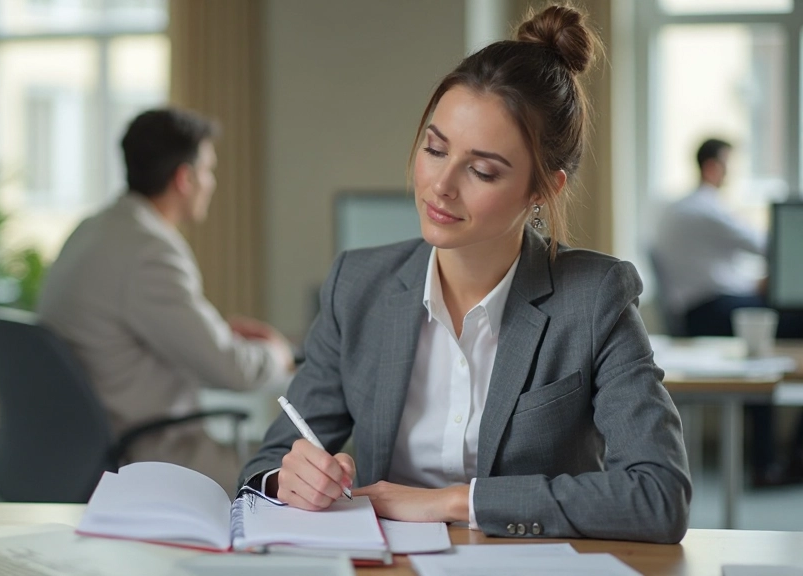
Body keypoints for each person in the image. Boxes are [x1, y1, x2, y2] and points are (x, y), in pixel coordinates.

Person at [239, 6, 691, 544]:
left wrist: (453, 502)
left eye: (481, 170)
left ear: (544, 189)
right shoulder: (358, 285)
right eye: (435, 149)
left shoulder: (595, 297)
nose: (440, 186)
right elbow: (265, 466)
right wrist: (287, 478)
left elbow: (658, 495)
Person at [39, 108, 294, 491]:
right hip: (152, 456)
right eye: (208, 170)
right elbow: (234, 372)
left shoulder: (95, 230)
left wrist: (214, 336)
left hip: (89, 442)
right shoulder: (150, 252)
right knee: (306, 469)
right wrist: (279, 352)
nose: (212, 182)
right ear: (184, 178)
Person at [655, 139, 803, 486]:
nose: (730, 175)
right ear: (712, 167)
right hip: (709, 311)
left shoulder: (678, 208)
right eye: (728, 166)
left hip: (700, 307)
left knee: (765, 347)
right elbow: (766, 244)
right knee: (790, 320)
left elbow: (715, 267)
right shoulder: (705, 208)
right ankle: (784, 458)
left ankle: (773, 457)